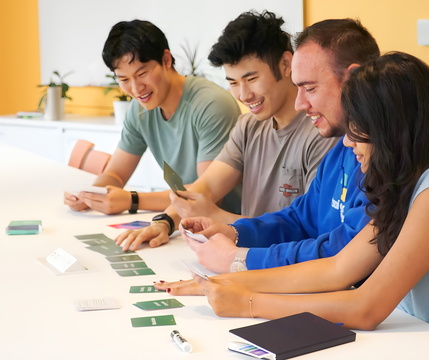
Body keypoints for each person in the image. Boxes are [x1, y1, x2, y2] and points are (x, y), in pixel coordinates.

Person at [156, 52, 429, 357]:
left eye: (357, 128)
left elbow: (366, 309)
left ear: (391, 129)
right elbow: (339, 269)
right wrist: (224, 281)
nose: (346, 142)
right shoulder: (411, 178)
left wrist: (249, 302)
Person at [169, 18, 380, 274]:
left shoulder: (380, 159)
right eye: (233, 82)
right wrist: (234, 232)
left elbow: (338, 255)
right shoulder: (343, 149)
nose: (301, 104)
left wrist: (241, 259)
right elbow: (299, 220)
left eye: (310, 88)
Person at [114, 11, 338, 251]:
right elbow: (207, 186)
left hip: (282, 268)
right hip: (241, 258)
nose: (243, 95)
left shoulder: (322, 132)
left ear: (285, 65)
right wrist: (165, 222)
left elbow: (308, 232)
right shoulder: (248, 126)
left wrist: (215, 215)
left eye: (251, 78)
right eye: (232, 82)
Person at [63, 19, 241, 215]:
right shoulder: (139, 110)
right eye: (124, 79)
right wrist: (91, 194)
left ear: (166, 60)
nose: (136, 88)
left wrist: (133, 200)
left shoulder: (212, 105)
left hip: (227, 225)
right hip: (182, 222)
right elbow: (115, 174)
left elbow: (207, 194)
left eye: (142, 74)